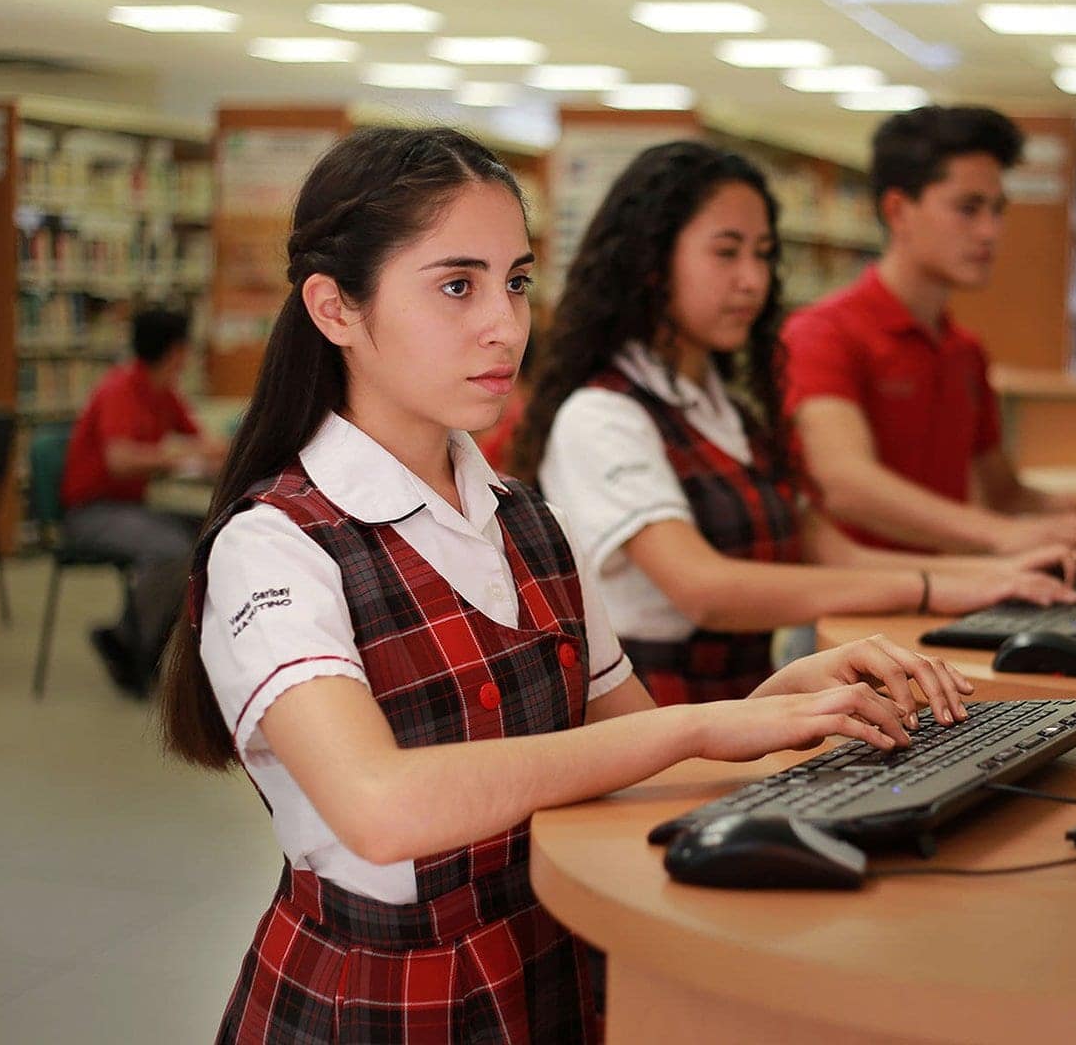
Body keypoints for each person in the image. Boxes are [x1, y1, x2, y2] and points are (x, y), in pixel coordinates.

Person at [158, 126, 976, 1044]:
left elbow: (634, 758)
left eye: (516, 281)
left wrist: (783, 710)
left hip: (557, 967)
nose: (505, 324)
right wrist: (704, 721)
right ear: (335, 307)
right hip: (386, 1005)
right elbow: (379, 807)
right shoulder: (272, 546)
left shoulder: (528, 522)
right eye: (456, 285)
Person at [512, 141, 1076, 707]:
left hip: (746, 710)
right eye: (727, 251)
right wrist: (932, 586)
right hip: (661, 719)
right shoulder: (601, 415)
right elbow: (705, 591)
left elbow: (823, 548)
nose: (754, 279)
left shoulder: (727, 407)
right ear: (650, 262)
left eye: (764, 253)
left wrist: (993, 577)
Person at [781, 105, 1076, 558]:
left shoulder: (964, 351)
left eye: (997, 210)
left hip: (950, 591)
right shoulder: (823, 333)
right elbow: (844, 485)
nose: (990, 231)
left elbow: (1004, 496)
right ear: (898, 210)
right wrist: (1000, 536)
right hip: (850, 611)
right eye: (968, 209)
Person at [60, 307, 224, 696]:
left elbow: (200, 443)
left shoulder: (162, 390)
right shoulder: (120, 388)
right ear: (175, 351)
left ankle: (138, 639)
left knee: (210, 535)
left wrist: (224, 453)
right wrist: (180, 457)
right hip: (91, 512)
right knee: (172, 551)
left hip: (130, 507)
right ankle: (131, 642)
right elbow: (120, 460)